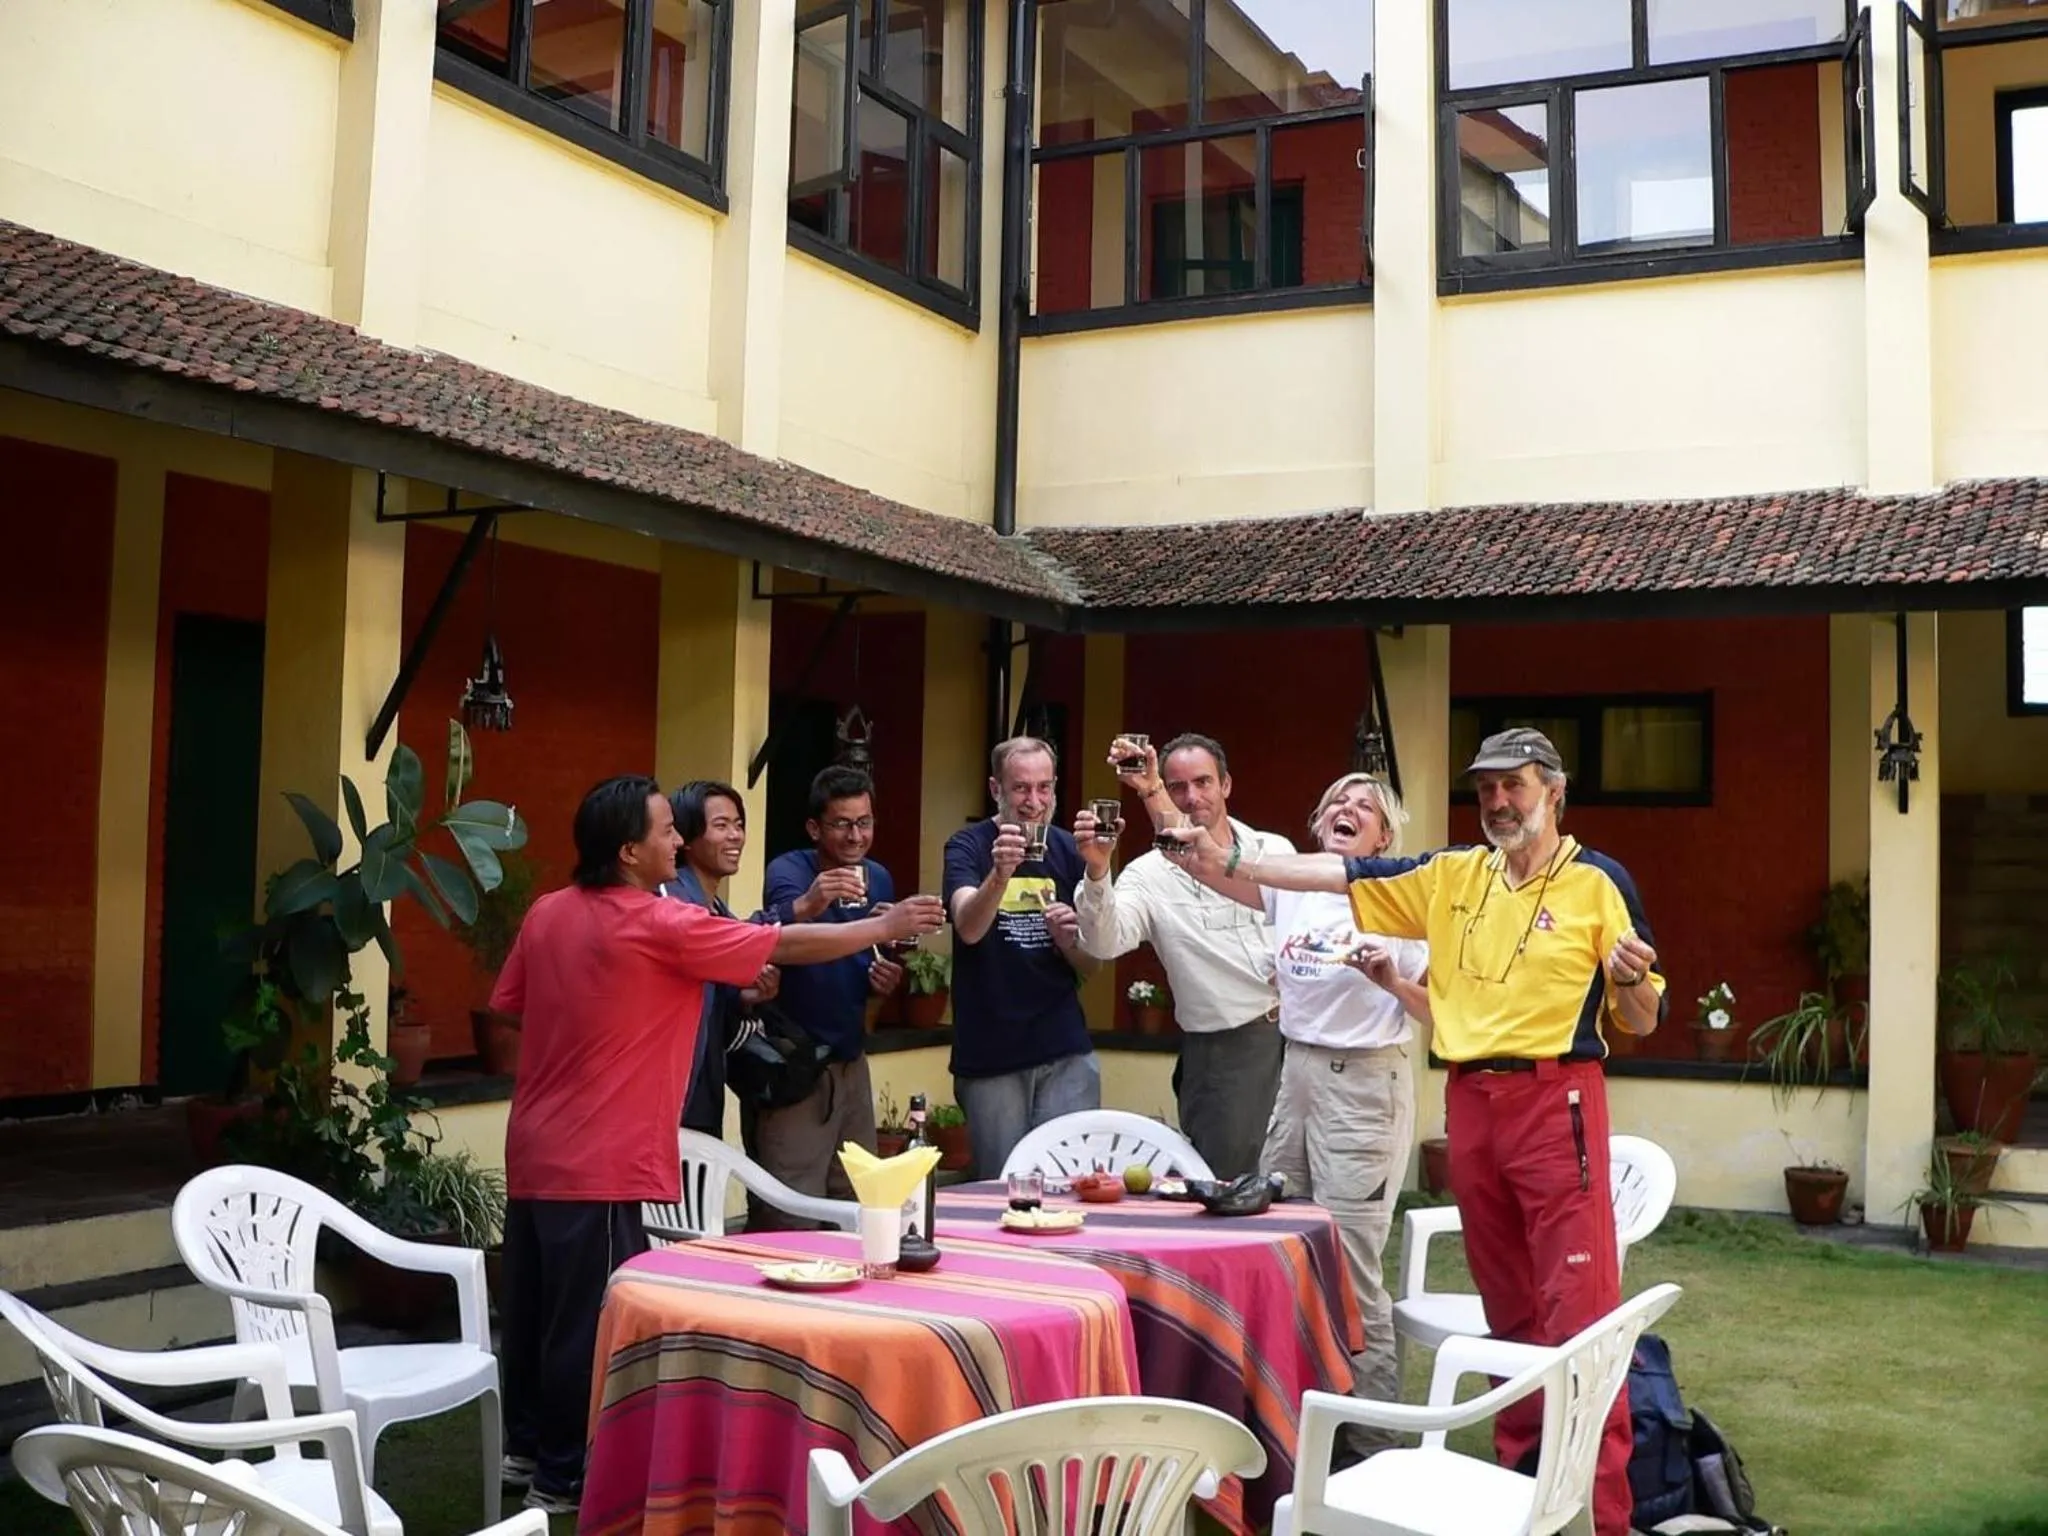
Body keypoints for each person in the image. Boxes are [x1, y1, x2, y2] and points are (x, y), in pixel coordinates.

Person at [1162, 729, 1663, 1536]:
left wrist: (1632, 984)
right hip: (1470, 1100)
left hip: (1556, 1097)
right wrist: (1233, 861)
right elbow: (1334, 873)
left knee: (1576, 1320)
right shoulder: (1453, 874)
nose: (1499, 802)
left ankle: (1601, 1518)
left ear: (1554, 791)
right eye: (1487, 789)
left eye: (1516, 786)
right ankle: (1524, 1497)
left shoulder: (1600, 882)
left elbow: (1642, 1017)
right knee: (1511, 1316)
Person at [492, 774, 944, 1516]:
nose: (682, 839)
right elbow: (784, 942)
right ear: (630, 850)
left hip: (535, 1147)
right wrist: (879, 926)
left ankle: (524, 1451)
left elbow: (510, 1011)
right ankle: (564, 1477)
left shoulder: (547, 913)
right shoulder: (659, 922)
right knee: (589, 1323)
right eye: (669, 830)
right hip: (599, 1163)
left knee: (537, 1309)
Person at [1130, 769, 1430, 1450]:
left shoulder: (1403, 896)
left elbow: (1437, 1010)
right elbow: (1201, 859)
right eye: (1337, 803)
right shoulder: (1293, 883)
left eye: (1366, 809)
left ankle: (1372, 1447)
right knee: (1287, 1253)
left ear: (1384, 836)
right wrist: (1152, 789)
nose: (1348, 812)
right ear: (1318, 820)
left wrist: (1390, 980)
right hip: (1294, 1072)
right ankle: (1296, 1428)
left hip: (1364, 1083)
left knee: (1349, 1264)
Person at [1073, 732, 1294, 1179]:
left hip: (1302, 1037)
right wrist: (1098, 870)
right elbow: (1103, 943)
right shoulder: (1148, 874)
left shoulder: (1275, 850)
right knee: (1227, 1185)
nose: (1192, 797)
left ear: (1226, 784)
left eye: (1203, 782)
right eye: (1177, 787)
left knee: (1297, 1180)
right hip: (1226, 1048)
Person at [752, 765, 904, 1222]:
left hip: (851, 1061)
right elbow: (772, 936)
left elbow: (870, 964)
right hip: (796, 1066)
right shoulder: (790, 870)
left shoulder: (877, 877)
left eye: (865, 822)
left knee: (859, 1203)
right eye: (842, 823)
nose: (856, 835)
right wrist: (811, 902)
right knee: (790, 1212)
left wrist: (884, 983)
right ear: (814, 827)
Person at [945, 736, 1098, 1178]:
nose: (1034, 802)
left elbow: (1094, 965)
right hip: (992, 1052)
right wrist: (1000, 875)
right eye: (1021, 789)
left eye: (1044, 788)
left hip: (1065, 1047)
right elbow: (969, 928)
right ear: (996, 789)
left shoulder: (1069, 849)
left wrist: (1070, 940)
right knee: (1002, 1188)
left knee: (1068, 1184)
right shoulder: (969, 845)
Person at [659, 780, 778, 1136]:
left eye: (739, 824)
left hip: (705, 1084)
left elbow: (711, 996)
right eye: (721, 826)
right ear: (687, 837)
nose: (735, 836)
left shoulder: (717, 907)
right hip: (673, 1090)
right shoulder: (672, 899)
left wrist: (745, 996)